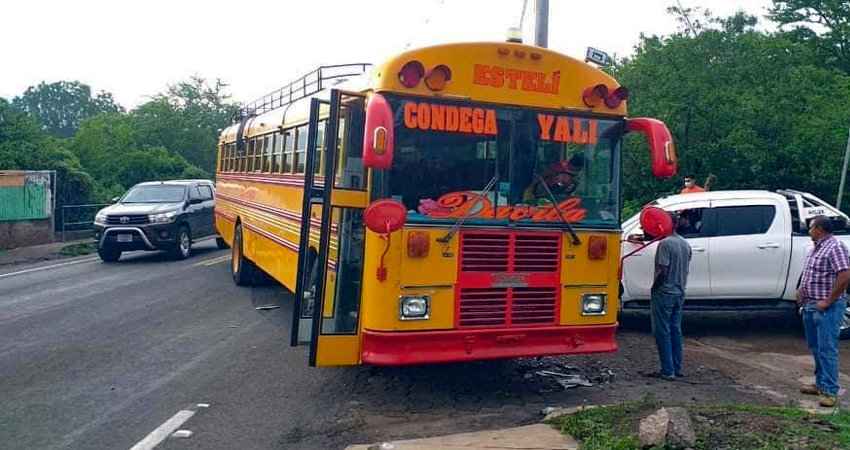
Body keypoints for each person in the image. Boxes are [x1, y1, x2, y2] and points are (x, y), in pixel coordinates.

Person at [796, 215, 850, 407]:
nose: (808, 231)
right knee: (816, 347)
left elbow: (845, 274)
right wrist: (801, 290)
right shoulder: (817, 247)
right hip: (810, 305)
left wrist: (829, 300)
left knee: (827, 348)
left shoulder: (835, 247)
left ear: (819, 229)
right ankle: (820, 383)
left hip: (827, 308)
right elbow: (811, 272)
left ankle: (829, 390)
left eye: (810, 228)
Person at [648, 212, 692, 380]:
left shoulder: (665, 244)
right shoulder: (684, 243)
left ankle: (667, 370)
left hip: (665, 292)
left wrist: (654, 287)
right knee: (675, 330)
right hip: (680, 292)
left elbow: (662, 270)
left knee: (662, 331)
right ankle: (677, 367)